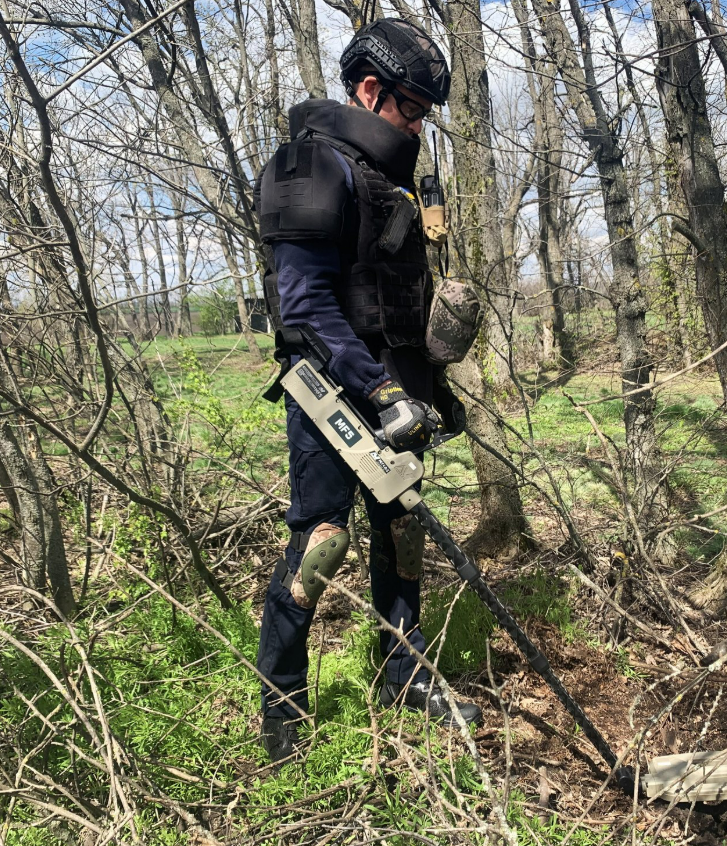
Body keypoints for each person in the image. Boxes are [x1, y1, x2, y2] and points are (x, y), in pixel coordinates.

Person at [254, 18, 482, 763]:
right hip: (331, 394)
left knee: (402, 534)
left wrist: (430, 389)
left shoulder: (389, 178)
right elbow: (304, 308)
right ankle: (282, 709)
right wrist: (381, 392)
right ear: (370, 89)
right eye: (411, 108)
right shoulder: (311, 166)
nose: (418, 124)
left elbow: (395, 305)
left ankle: (404, 676)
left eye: (425, 112)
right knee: (321, 545)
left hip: (400, 394)